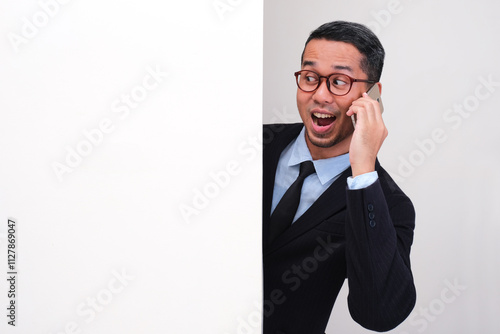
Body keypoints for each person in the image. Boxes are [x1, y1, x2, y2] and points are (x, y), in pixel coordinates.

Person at [263, 21, 416, 333]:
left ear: (372, 95)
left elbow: (380, 313)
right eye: (310, 77)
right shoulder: (253, 147)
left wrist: (362, 168)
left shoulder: (385, 201)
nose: (320, 95)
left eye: (339, 81)